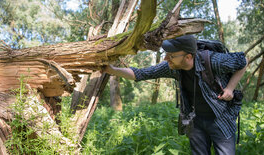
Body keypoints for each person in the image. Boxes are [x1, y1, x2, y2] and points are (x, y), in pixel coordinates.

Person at [103, 35, 247, 155]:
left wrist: (230, 89)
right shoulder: (173, 67)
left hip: (220, 120)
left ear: (188, 57)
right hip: (195, 120)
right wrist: (112, 69)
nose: (166, 59)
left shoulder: (213, 60)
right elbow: (141, 73)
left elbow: (243, 61)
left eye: (171, 55)